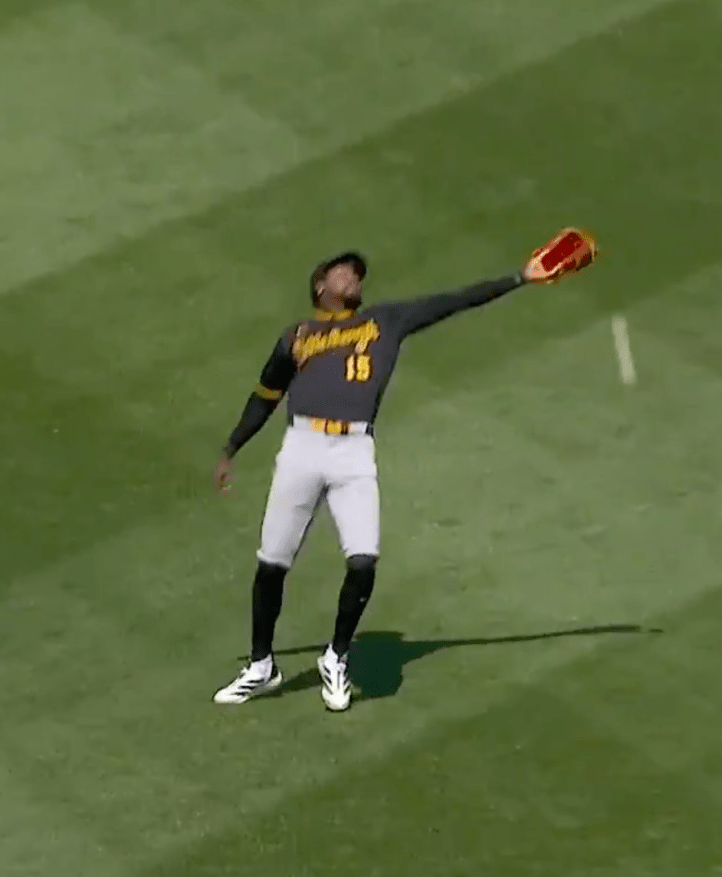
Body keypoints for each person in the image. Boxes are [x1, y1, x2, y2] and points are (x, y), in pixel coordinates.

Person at [212, 249, 548, 710]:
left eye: (357, 274)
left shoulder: (386, 320)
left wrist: (518, 278)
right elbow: (265, 396)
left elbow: (453, 301)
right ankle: (261, 666)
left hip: (353, 452)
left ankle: (336, 656)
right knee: (272, 563)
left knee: (364, 560)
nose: (353, 277)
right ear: (319, 287)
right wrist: (231, 448)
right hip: (302, 448)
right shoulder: (296, 336)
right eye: (342, 272)